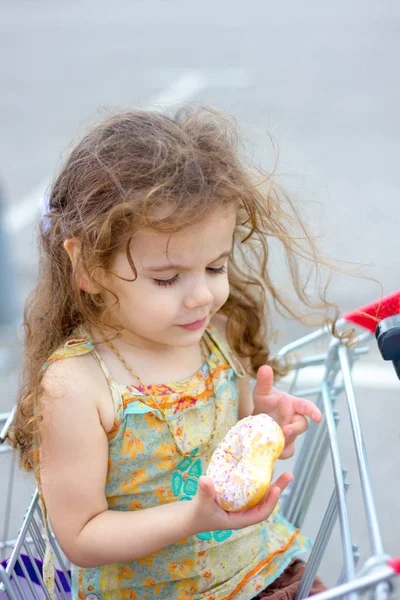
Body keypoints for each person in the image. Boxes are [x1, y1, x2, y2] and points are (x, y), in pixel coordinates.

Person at [10, 105, 330, 599]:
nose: (201, 295)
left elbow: (232, 445)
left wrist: (264, 422)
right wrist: (192, 518)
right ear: (89, 268)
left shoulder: (211, 331)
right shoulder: (78, 385)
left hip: (262, 572)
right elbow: (81, 535)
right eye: (167, 278)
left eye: (216, 267)